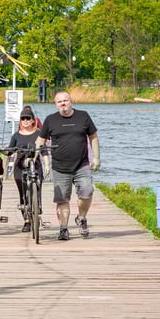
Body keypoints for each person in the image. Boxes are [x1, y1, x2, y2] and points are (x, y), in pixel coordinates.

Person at [36, 91, 100, 241]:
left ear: (71, 101)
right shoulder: (50, 120)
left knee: (87, 191)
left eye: (65, 100)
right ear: (56, 104)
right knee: (62, 199)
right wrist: (37, 156)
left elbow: (93, 137)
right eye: (59, 102)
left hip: (82, 165)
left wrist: (96, 158)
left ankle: (81, 217)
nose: (63, 103)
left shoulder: (83, 116)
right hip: (60, 167)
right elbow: (40, 141)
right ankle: (63, 229)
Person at [8, 105, 47, 232]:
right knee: (23, 193)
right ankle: (26, 221)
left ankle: (37, 209)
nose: (25, 121)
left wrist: (47, 164)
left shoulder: (39, 134)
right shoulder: (15, 136)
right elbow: (10, 151)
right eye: (23, 118)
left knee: (36, 188)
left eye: (28, 118)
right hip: (20, 166)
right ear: (20, 120)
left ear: (33, 120)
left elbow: (44, 150)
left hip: (35, 165)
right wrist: (2, 154)